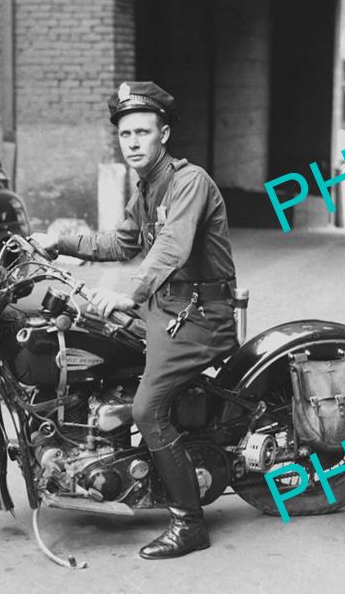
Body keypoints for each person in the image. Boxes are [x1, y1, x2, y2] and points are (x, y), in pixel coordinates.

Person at [33, 81, 238, 559]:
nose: (132, 142)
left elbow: (171, 248)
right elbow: (121, 244)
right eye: (125, 134)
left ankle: (190, 523)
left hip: (201, 316)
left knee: (148, 409)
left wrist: (127, 295)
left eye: (142, 132)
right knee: (83, 334)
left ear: (163, 134)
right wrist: (58, 242)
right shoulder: (146, 188)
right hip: (166, 309)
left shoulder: (189, 183)